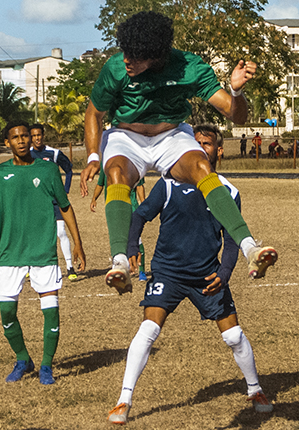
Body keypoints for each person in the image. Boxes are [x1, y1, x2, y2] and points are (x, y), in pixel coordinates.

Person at [79, 11, 276, 294]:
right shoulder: (115, 69)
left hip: (170, 135)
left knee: (201, 168)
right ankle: (120, 262)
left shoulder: (190, 67)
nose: (126, 60)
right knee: (116, 174)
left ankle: (250, 248)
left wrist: (235, 91)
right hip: (126, 137)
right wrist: (93, 157)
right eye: (126, 51)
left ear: (156, 55)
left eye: (136, 55)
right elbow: (94, 113)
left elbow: (236, 116)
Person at [107, 125, 272, 425]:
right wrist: (131, 245)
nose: (199, 148)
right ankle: (124, 399)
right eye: (195, 143)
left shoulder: (228, 191)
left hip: (207, 275)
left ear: (218, 151)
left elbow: (231, 237)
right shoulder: (168, 184)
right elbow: (141, 215)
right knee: (148, 331)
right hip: (167, 272)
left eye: (206, 144)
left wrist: (224, 272)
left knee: (233, 336)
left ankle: (255, 390)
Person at [0, 120, 86, 385]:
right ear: (7, 143)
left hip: (43, 252)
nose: (22, 140)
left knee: (51, 311)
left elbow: (65, 206)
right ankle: (23, 359)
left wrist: (78, 244)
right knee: (6, 313)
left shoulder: (49, 170)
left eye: (25, 136)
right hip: (9, 253)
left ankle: (46, 365)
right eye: (15, 137)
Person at [29, 123, 79, 281]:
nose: (37, 138)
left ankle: (70, 267)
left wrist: (65, 190)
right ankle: (31, 266)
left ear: (43, 135)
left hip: (54, 201)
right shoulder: (27, 154)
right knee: (35, 233)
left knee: (61, 232)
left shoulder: (54, 153)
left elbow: (69, 170)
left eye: (39, 135)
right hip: (37, 201)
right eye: (34, 136)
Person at [91, 166, 149, 281]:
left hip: (131, 207)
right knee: (118, 239)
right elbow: (100, 183)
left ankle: (141, 270)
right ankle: (123, 267)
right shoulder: (106, 163)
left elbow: (139, 186)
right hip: (114, 207)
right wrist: (94, 198)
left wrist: (143, 203)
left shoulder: (133, 162)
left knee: (136, 238)